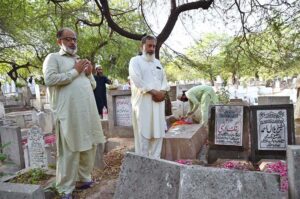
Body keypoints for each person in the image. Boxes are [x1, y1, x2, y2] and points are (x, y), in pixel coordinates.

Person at [43, 27, 105, 199]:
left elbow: (92, 85)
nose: (72, 42)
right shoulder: (53, 58)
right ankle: (64, 188)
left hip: (87, 111)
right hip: (68, 112)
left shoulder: (79, 60)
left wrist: (89, 74)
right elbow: (50, 79)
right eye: (68, 39)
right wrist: (76, 71)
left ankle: (83, 178)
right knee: (70, 149)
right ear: (59, 41)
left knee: (89, 145)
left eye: (74, 39)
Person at [129, 35, 169, 158]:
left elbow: (164, 80)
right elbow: (136, 79)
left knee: (158, 133)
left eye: (154, 46)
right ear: (142, 46)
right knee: (144, 134)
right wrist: (153, 92)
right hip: (143, 104)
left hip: (158, 103)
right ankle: (143, 164)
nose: (152, 49)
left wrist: (162, 91)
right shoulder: (135, 61)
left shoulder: (157, 63)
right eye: (149, 46)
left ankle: (156, 162)